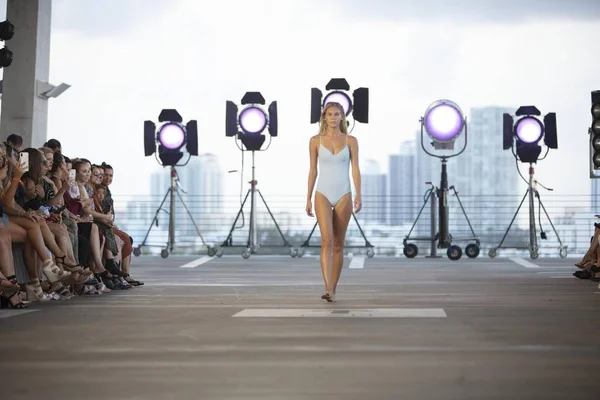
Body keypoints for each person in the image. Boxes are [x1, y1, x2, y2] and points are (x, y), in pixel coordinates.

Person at [306, 101, 362, 303]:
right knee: (326, 240)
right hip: (322, 193)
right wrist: (308, 198)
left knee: (338, 243)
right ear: (324, 117)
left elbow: (355, 169)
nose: (333, 118)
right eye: (329, 114)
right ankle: (327, 287)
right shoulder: (314, 141)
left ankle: (334, 288)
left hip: (344, 194)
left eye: (337, 114)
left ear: (342, 117)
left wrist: (358, 194)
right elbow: (313, 170)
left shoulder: (351, 141)